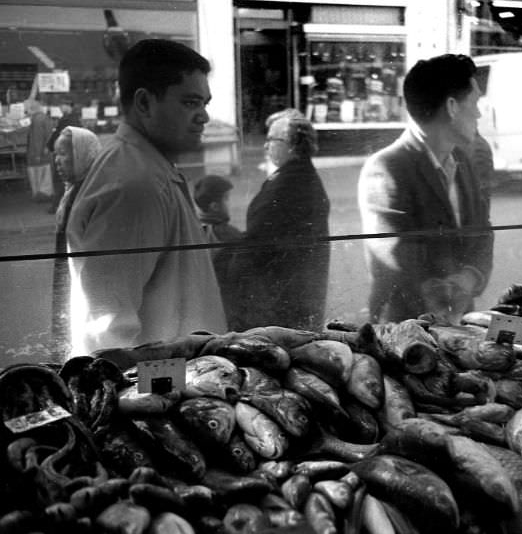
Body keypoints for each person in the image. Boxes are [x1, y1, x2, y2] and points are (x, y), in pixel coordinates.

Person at [66, 39, 226, 355]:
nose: (204, 117)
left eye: (205, 104)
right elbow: (109, 333)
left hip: (182, 373)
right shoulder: (135, 184)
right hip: (166, 379)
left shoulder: (147, 167)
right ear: (144, 103)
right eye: (190, 103)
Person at [358, 53, 494, 323]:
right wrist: (443, 288)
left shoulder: (462, 160)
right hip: (407, 330)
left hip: (457, 322)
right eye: (475, 102)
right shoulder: (386, 168)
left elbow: (482, 231)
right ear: (452, 107)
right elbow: (394, 257)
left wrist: (470, 278)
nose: (479, 113)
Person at [228, 108, 330, 331]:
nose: (265, 146)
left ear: (292, 146)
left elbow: (257, 244)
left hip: (279, 304)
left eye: (271, 140)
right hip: (292, 298)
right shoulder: (296, 176)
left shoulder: (289, 185)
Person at [50, 126, 102, 355]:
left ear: (82, 155)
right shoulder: (73, 190)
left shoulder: (89, 193)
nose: (57, 161)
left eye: (63, 154)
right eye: (55, 155)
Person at [193, 174, 243, 325]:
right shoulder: (228, 235)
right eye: (227, 199)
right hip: (226, 307)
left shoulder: (191, 231)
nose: (231, 203)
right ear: (215, 206)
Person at [45, 101, 82, 214]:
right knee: (68, 181)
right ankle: (67, 205)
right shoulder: (75, 118)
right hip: (71, 153)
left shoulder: (67, 120)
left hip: (65, 153)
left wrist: (49, 146)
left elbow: (58, 135)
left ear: (68, 106)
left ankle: (58, 206)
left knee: (61, 181)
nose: (60, 108)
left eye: (61, 106)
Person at [25, 98, 55, 202]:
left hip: (37, 154)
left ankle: (41, 195)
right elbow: (48, 135)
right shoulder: (45, 118)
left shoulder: (37, 120)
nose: (26, 112)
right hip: (44, 153)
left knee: (37, 174)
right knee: (46, 174)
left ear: (32, 109)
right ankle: (46, 193)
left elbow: (37, 138)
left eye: (27, 109)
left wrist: (37, 154)